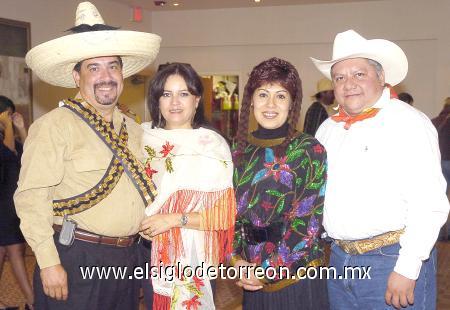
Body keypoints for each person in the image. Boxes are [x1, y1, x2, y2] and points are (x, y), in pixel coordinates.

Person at [14, 2, 161, 309]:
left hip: (126, 259)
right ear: (76, 76)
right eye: (94, 68)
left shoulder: (135, 131)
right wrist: (48, 262)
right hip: (77, 257)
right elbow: (31, 200)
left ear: (122, 74)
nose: (105, 76)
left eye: (113, 66)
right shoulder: (54, 127)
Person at [311, 29, 450, 309]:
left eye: (359, 74)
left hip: (391, 261)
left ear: (381, 77)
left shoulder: (408, 122)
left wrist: (408, 267)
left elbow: (429, 202)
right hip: (339, 261)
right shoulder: (327, 129)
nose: (348, 83)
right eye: (340, 77)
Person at [230, 57, 329, 310]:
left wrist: (264, 272)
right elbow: (228, 214)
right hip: (249, 274)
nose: (270, 104)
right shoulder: (237, 150)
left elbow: (307, 224)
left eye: (281, 96)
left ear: (292, 103)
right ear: (251, 99)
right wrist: (236, 261)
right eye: (262, 94)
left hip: (296, 276)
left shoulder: (309, 150)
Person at [140, 63, 236, 309]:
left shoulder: (212, 145)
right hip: (145, 251)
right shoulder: (141, 138)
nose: (175, 102)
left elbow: (224, 216)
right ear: (157, 100)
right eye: (166, 94)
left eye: (184, 94)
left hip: (194, 254)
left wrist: (173, 220)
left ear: (196, 100)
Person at [0, 96, 33, 310]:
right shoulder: (5, 140)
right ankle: (33, 302)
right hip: (2, 207)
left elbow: (29, 156)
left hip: (12, 207)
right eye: (6, 114)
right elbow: (6, 154)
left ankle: (32, 302)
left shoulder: (11, 137)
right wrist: (8, 126)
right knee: (12, 251)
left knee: (10, 251)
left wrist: (21, 128)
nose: (10, 118)